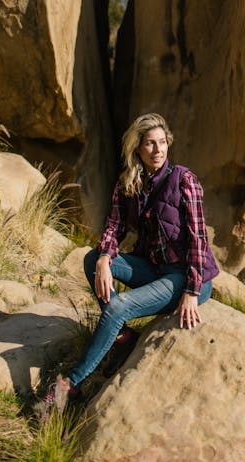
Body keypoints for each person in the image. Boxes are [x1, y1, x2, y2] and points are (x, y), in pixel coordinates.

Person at [47, 112, 219, 411]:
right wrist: (103, 257)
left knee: (117, 307)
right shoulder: (129, 182)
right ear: (137, 148)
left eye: (163, 142)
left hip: (188, 277)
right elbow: (114, 227)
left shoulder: (183, 179)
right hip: (154, 270)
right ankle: (123, 337)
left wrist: (191, 292)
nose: (158, 150)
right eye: (150, 144)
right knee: (91, 260)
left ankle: (71, 385)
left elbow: (198, 239)